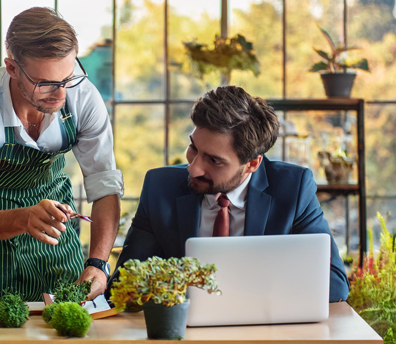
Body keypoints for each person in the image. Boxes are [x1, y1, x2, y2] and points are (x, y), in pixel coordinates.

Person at [0, 7, 123, 302]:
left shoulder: (83, 96)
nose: (61, 94)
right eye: (46, 83)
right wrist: (25, 217)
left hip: (55, 225)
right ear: (12, 68)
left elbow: (104, 186)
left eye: (68, 78)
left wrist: (98, 263)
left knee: (65, 320)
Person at [106, 85, 350, 303]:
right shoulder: (160, 187)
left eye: (214, 160)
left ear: (252, 164)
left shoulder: (293, 189)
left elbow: (335, 284)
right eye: (193, 147)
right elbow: (122, 284)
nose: (193, 167)